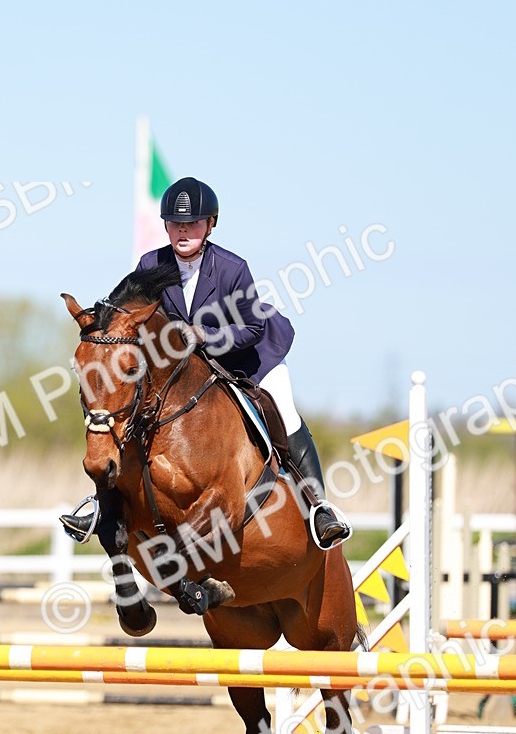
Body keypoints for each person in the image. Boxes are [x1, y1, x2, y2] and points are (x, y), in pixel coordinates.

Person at [62, 176, 349, 549]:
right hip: (183, 366)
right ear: (165, 226)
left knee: (284, 406)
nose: (183, 231)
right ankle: (104, 504)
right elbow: (123, 310)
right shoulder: (151, 263)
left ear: (210, 224)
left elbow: (250, 327)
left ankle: (317, 505)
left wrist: (202, 335)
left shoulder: (232, 268)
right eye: (176, 224)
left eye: (193, 223)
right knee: (126, 410)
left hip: (247, 356)